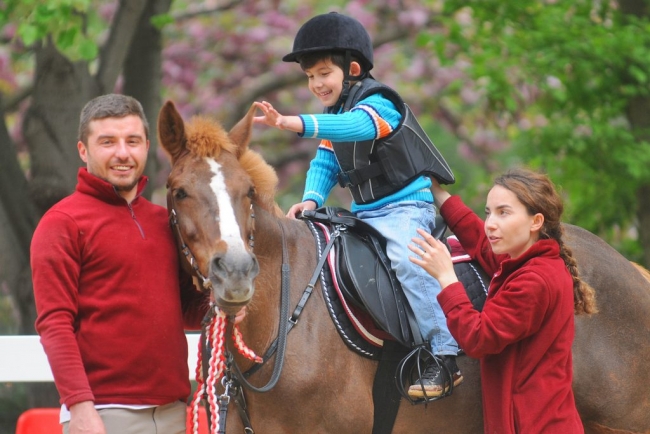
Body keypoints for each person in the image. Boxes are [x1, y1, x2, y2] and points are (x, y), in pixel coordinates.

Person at [253, 11, 461, 398]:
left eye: (323, 74)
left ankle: (444, 353)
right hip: (365, 214)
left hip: (405, 211)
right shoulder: (336, 114)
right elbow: (326, 160)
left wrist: (293, 122)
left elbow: (358, 129)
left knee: (407, 259)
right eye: (310, 76)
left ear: (351, 69)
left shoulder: (379, 103)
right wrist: (310, 199)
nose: (316, 84)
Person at [30, 94, 209, 434]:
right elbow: (55, 323)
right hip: (103, 415)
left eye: (132, 141)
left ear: (145, 147)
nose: (123, 153)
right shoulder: (62, 223)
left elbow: (186, 307)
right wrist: (80, 409)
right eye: (107, 142)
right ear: (83, 151)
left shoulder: (165, 221)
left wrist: (228, 304)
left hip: (174, 412)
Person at [409, 168, 598, 433]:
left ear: (536, 221)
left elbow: (478, 338)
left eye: (503, 213)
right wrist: (439, 194)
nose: (490, 223)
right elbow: (481, 242)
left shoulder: (533, 282)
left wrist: (446, 278)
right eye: (488, 212)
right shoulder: (529, 262)